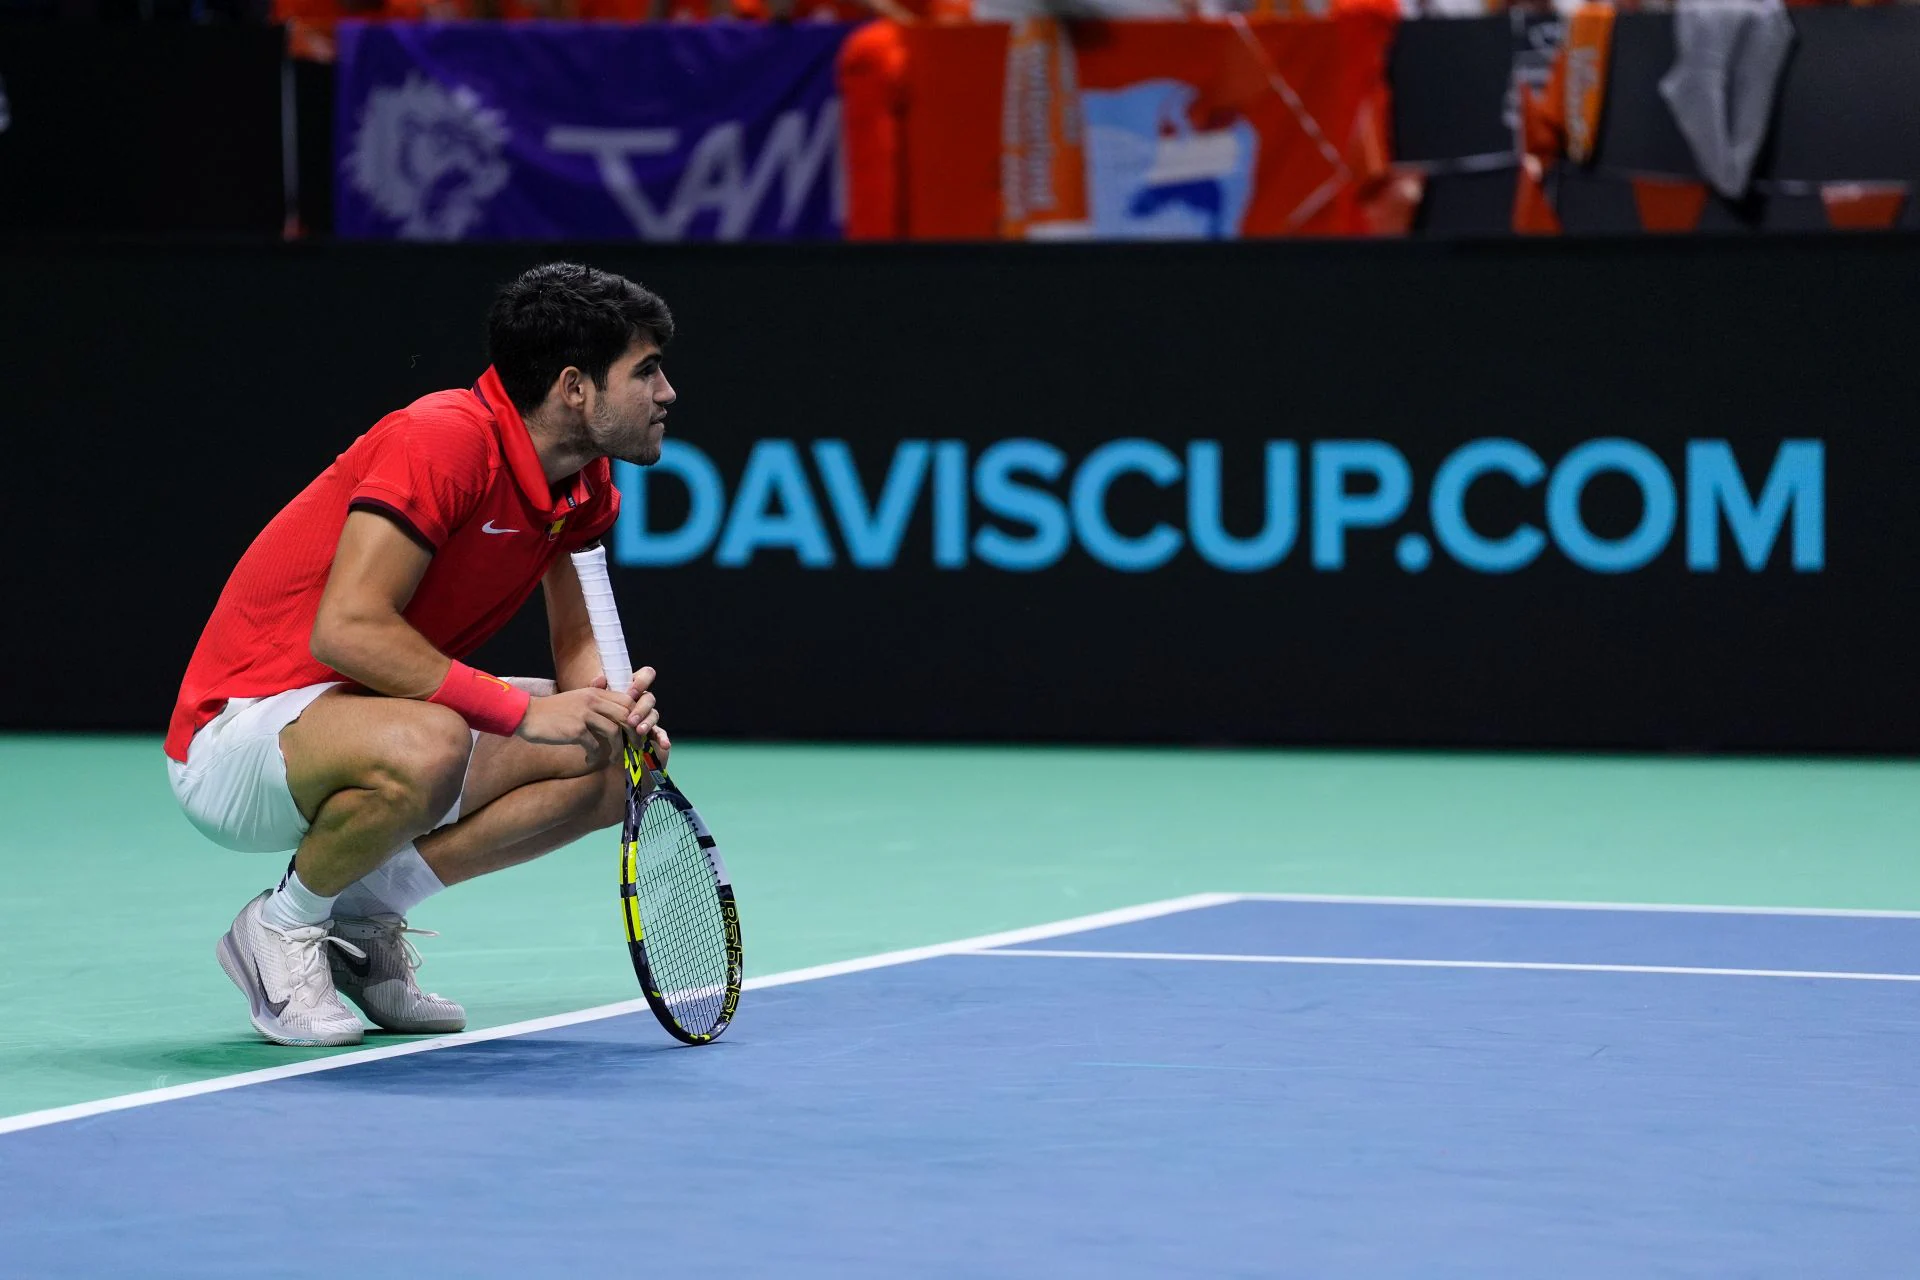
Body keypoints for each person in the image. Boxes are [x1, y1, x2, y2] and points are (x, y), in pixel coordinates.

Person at [165, 262, 677, 1048]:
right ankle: (279, 927)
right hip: (239, 734)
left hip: (359, 719)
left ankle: (364, 922)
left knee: (608, 769)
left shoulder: (583, 480)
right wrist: (523, 714)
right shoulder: (443, 440)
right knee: (434, 738)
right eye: (645, 371)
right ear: (576, 387)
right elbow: (348, 632)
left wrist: (608, 708)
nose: (666, 393)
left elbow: (579, 644)